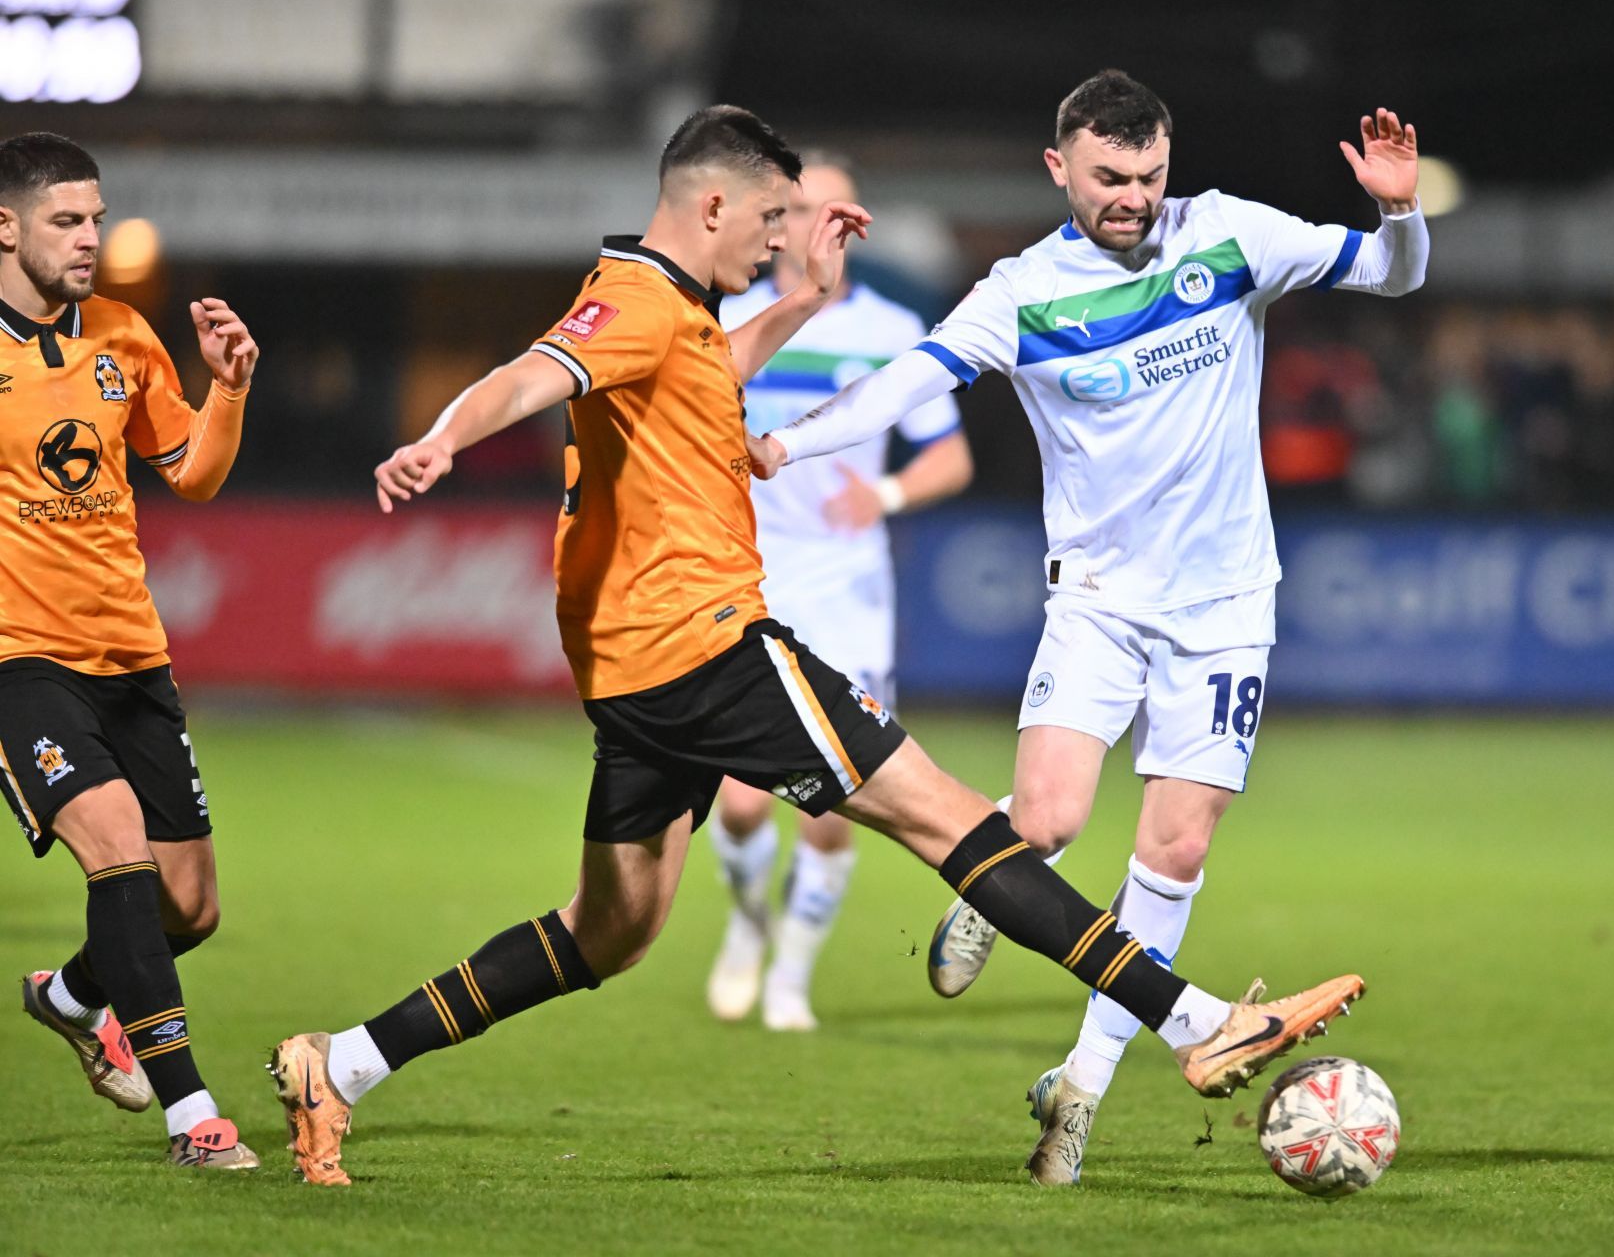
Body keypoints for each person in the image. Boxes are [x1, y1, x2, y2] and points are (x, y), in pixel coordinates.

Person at [269, 105, 1365, 1187]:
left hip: (636, 670)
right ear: (713, 203)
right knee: (950, 819)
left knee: (609, 930)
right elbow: (534, 371)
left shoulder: (676, 311)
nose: (784, 236)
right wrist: (440, 437)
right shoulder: (636, 302)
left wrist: (801, 299)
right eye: (775, 219)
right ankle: (1196, 1020)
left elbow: (700, 371)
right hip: (705, 645)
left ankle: (343, 1062)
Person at [748, 70, 1427, 1185]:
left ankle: (1081, 1089)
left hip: (1225, 606)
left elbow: (1394, 275)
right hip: (1100, 602)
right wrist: (790, 443)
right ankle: (992, 873)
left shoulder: (1229, 238)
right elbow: (904, 384)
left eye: (1151, 175)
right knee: (1052, 819)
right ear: (1058, 167)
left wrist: (1399, 210)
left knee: (1178, 848)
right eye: (1111, 178)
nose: (1136, 198)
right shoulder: (1023, 294)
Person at [1, 132, 263, 1169]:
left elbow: (193, 472)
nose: (90, 238)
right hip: (21, 659)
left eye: (96, 218)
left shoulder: (124, 334)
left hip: (134, 657)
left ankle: (68, 995)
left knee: (186, 905)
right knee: (116, 848)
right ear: (6, 226)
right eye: (67, 220)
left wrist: (230, 386)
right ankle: (192, 1115)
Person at [705, 152, 973, 1032]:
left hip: (848, 592)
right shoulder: (730, 320)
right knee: (741, 801)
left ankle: (791, 975)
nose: (815, 225)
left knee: (835, 804)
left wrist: (885, 494)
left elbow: (950, 455)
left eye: (831, 209)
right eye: (798, 209)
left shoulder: (893, 328)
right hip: (746, 577)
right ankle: (748, 927)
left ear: (851, 223)